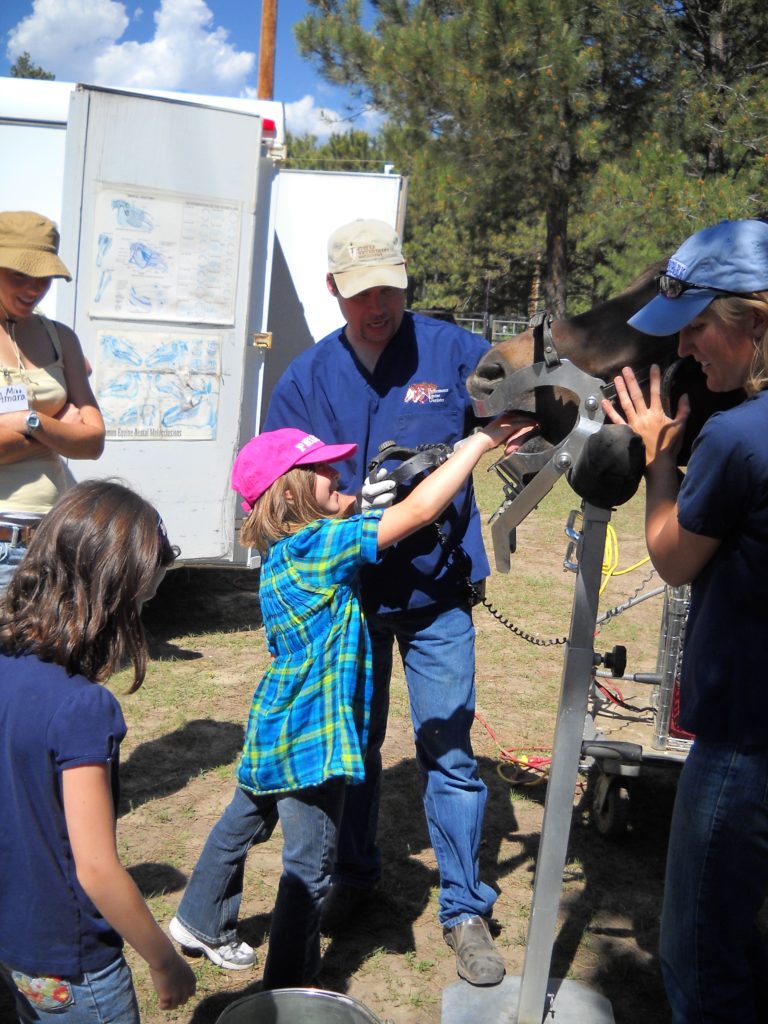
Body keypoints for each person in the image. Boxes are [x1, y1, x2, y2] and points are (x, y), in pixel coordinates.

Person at [168, 417, 533, 987]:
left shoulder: (287, 550)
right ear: (289, 492)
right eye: (321, 470)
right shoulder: (319, 547)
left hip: (277, 719)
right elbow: (416, 515)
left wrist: (351, 502)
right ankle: (288, 988)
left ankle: (196, 920)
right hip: (315, 734)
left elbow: (347, 520)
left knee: (242, 821)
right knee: (309, 866)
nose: (338, 471)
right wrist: (478, 444)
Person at [260, 219, 507, 985]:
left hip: (436, 594)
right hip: (350, 604)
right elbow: (280, 498)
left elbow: (518, 413)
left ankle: (465, 907)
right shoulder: (304, 379)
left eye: (391, 287)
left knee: (451, 753)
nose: (379, 304)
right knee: (353, 751)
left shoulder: (455, 352)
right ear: (334, 289)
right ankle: (356, 878)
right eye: (363, 290)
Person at [603, 218, 768, 1023]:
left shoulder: (738, 440)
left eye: (700, 325)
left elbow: (670, 557)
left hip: (744, 743)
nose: (690, 349)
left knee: (702, 964)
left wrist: (659, 452)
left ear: (756, 320)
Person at [0, 479, 195, 1023]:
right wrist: (163, 961)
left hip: (15, 943)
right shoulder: (83, 708)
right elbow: (96, 869)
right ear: (119, 588)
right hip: (74, 962)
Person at [0, 210, 105, 594]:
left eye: (43, 277)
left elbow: (93, 443)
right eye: (19, 275)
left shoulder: (61, 337)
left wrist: (33, 420)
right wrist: (61, 421)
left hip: (52, 537)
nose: (34, 288)